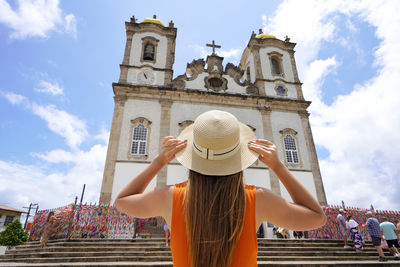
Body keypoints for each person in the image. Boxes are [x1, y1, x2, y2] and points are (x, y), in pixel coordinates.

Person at [114, 110, 326, 267]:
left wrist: (159, 162)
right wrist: (278, 166)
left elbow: (122, 201)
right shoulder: (258, 199)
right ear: (239, 156)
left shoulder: (169, 197)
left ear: (192, 156)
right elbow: (317, 217)